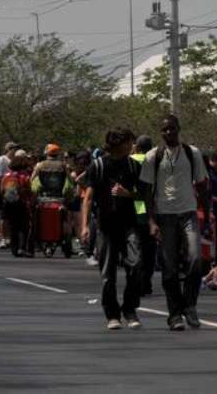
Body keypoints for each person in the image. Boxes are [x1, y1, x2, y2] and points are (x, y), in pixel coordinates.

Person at [141, 114, 208, 331]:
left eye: (172, 129)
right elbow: (146, 193)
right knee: (169, 269)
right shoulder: (153, 156)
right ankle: (174, 315)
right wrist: (151, 221)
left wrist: (206, 215)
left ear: (179, 129)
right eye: (165, 130)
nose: (169, 132)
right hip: (165, 216)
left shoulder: (192, 153)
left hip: (188, 213)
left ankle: (190, 305)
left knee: (196, 260)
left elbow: (202, 185)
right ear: (160, 133)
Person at [82, 127, 143, 330]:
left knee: (135, 265)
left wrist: (128, 194)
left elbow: (144, 195)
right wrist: (84, 227)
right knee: (108, 273)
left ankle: (130, 308)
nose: (132, 146)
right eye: (129, 142)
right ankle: (112, 314)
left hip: (129, 224)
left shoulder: (134, 167)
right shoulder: (98, 166)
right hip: (106, 225)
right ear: (119, 143)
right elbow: (88, 198)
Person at [132, 135, 156, 296]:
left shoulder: (130, 160)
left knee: (135, 246)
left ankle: (136, 280)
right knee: (149, 247)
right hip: (151, 209)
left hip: (133, 207)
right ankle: (146, 281)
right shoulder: (155, 162)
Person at [1, 151, 35, 257]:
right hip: (21, 204)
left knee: (13, 226)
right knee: (23, 226)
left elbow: (2, 190)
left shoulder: (6, 176)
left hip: (9, 204)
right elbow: (29, 191)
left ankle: (14, 248)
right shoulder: (25, 176)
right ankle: (22, 247)